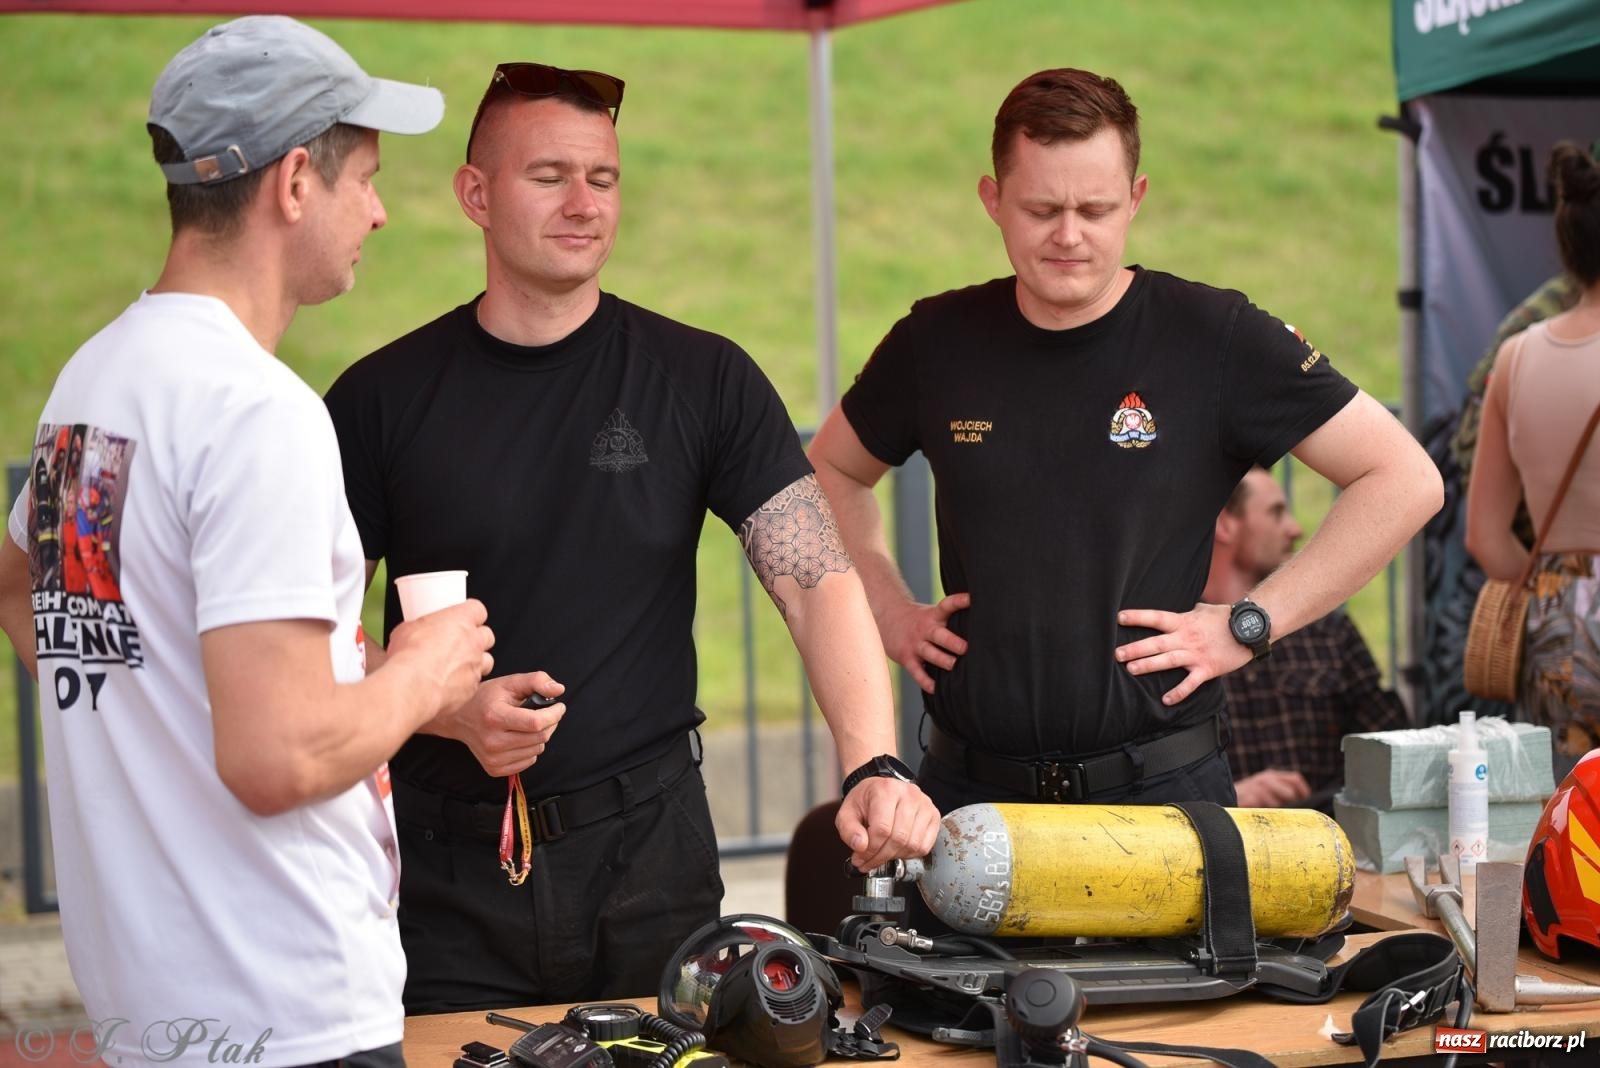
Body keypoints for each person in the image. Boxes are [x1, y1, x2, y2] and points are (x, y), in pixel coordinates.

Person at [323, 61, 940, 1014]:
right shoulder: (379, 401)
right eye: (549, 177)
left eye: (602, 179)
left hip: (652, 856)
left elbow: (816, 579)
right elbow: (317, 642)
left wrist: (874, 761)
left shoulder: (703, 378)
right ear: (475, 195)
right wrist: (445, 711)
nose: (583, 203)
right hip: (446, 867)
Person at [0, 17, 495, 1068]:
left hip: (158, 1003)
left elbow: (19, 590)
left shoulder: (97, 382)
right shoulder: (255, 414)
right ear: (292, 183)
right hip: (286, 1005)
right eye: (363, 177)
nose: (381, 210)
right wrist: (424, 671)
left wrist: (154, 729)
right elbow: (277, 757)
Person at [808, 67, 1442, 819]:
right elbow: (828, 471)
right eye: (1042, 208)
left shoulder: (1214, 337)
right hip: (969, 798)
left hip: (1161, 799)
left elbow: (1404, 478)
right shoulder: (936, 341)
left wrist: (1250, 623)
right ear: (993, 200)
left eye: (1096, 208)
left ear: (1135, 200)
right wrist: (884, 607)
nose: (1069, 235)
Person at [1466, 142, 1600, 783]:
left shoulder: (1516, 357)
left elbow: (1486, 538)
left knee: (1570, 818)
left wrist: (1559, 587)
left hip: (1552, 621)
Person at [1203, 468, 1407, 809]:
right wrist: (1231, 796)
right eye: (1276, 512)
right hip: (1221, 847)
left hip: (1332, 843)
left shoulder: (1329, 633)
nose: (1295, 529)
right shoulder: (1176, 641)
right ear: (1224, 523)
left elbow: (1393, 751)